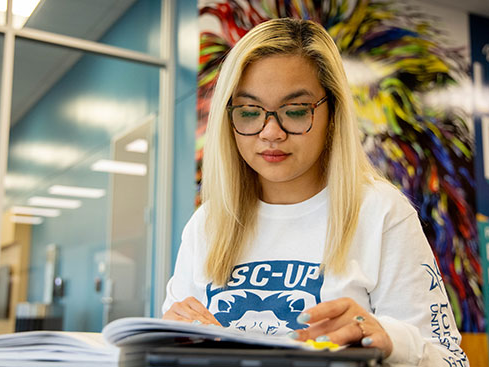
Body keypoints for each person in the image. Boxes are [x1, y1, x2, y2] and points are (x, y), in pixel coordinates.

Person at [162, 18, 468, 366]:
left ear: (332, 113)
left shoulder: (381, 213)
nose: (271, 132)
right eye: (249, 112)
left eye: (295, 111)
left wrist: (390, 341)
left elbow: (452, 361)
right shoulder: (207, 223)